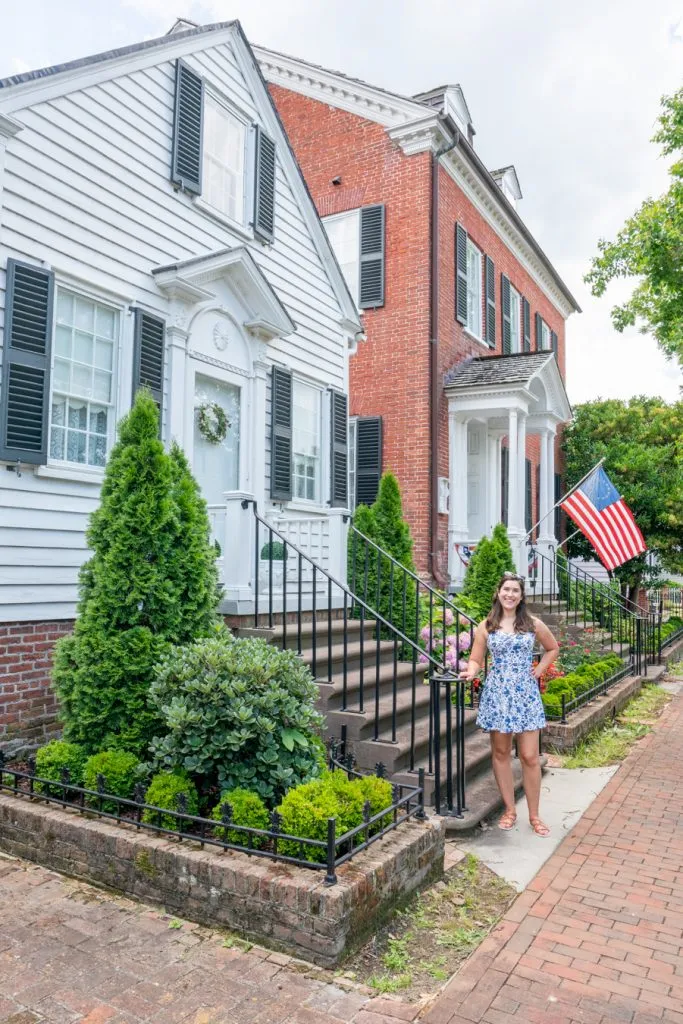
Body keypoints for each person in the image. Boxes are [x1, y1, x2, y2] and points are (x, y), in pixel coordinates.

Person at [464, 571, 559, 837]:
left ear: (521, 596)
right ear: (498, 593)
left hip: (525, 695)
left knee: (529, 756)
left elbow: (552, 648)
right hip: (498, 695)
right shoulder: (487, 625)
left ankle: (534, 815)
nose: (509, 594)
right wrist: (471, 672)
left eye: (515, 591)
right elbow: (476, 658)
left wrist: (539, 669)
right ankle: (509, 810)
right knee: (501, 754)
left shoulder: (533, 624)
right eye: (506, 589)